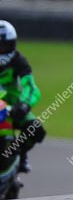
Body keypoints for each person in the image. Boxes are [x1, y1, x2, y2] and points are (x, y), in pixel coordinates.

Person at [0, 20, 45, 173]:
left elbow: (31, 87)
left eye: (3, 46)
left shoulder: (19, 61)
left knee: (36, 129)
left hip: (12, 107)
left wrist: (24, 105)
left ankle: (20, 154)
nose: (0, 50)